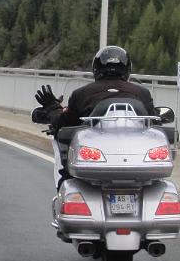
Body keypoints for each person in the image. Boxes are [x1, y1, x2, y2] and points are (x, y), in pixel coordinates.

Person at [33, 46, 157, 188]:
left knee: (61, 141)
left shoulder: (81, 94)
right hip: (136, 160)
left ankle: (63, 183)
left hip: (94, 159)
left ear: (96, 68)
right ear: (127, 68)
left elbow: (62, 125)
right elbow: (152, 124)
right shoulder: (142, 93)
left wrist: (53, 107)